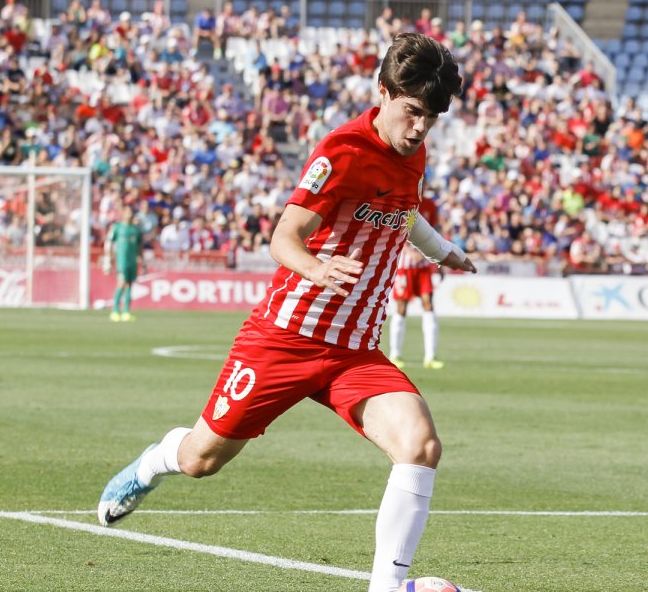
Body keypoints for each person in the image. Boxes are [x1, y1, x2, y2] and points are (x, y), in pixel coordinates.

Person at [96, 33, 476, 592]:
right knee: (204, 459)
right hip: (285, 337)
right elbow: (284, 238)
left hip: (354, 351)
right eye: (412, 112)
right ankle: (153, 462)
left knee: (420, 445)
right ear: (383, 92)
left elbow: (405, 208)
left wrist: (441, 250)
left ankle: (387, 588)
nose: (419, 128)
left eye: (431, 118)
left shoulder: (411, 153)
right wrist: (318, 270)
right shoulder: (341, 151)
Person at [388, 193, 445, 370]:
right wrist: (407, 250)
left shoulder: (429, 205)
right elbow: (393, 228)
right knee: (402, 307)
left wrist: (439, 258)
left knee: (428, 303)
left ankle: (430, 356)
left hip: (423, 267)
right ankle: (395, 354)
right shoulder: (401, 200)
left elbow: (435, 231)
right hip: (404, 266)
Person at [104, 204, 144, 322]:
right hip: (121, 260)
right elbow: (109, 243)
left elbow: (140, 247)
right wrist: (108, 260)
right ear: (123, 213)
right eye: (127, 211)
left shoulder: (136, 229)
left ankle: (126, 311)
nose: (129, 214)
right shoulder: (117, 227)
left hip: (133, 261)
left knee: (130, 285)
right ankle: (115, 310)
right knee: (121, 283)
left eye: (131, 212)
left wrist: (143, 261)